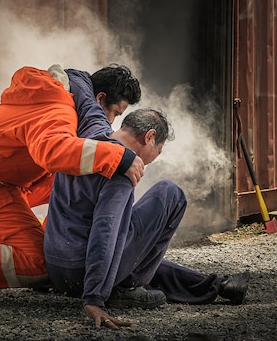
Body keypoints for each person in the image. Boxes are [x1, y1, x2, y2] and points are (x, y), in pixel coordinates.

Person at [0, 63, 142, 306]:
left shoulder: (55, 97)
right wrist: (119, 157)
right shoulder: (59, 107)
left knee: (70, 192)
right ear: (100, 98)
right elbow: (54, 152)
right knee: (42, 263)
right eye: (115, 114)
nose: (111, 123)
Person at [44, 108, 250, 330]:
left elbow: (85, 96)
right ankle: (127, 285)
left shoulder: (86, 141)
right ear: (150, 137)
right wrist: (94, 298)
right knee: (170, 193)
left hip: (56, 271)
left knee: (130, 243)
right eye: (158, 151)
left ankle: (220, 285)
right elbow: (105, 232)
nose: (154, 159)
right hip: (83, 277)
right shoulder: (123, 167)